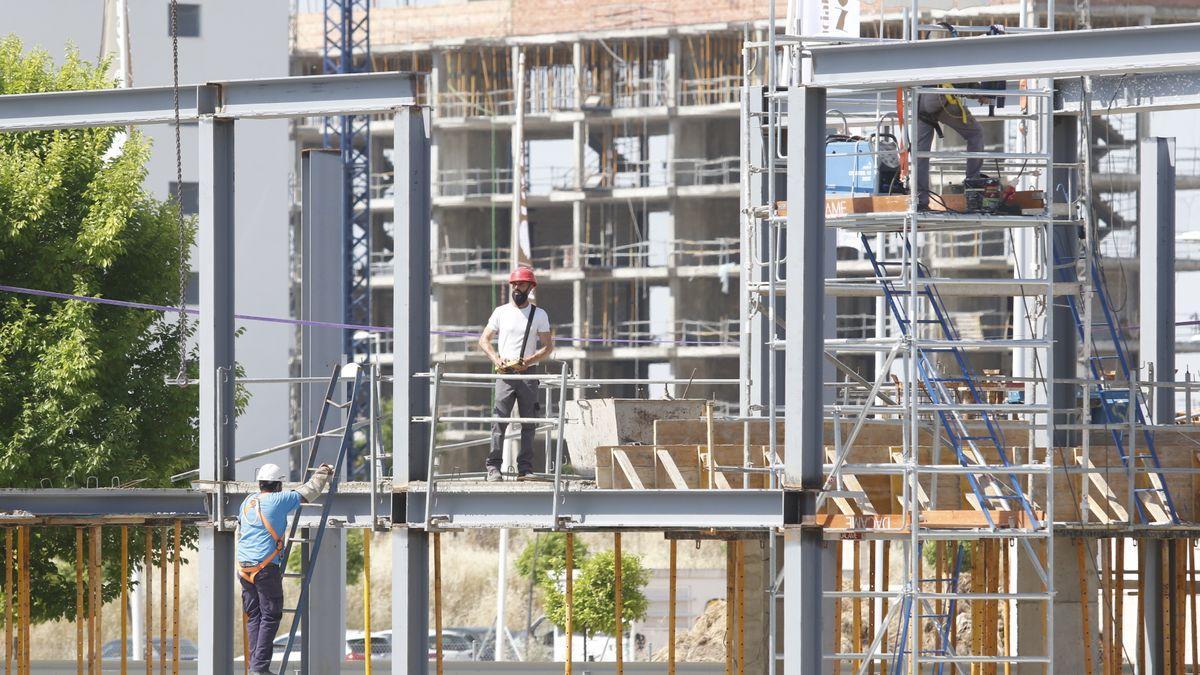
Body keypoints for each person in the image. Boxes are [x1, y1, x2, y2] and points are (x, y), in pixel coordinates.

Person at [237, 462, 333, 675]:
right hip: (265, 568)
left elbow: (241, 528)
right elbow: (310, 490)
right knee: (270, 616)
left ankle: (255, 666)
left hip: (244, 568)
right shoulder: (279, 499)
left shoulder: (247, 501)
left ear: (260, 483)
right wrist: (324, 471)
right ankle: (259, 668)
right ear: (278, 485)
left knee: (255, 617)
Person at [478, 267, 553, 481]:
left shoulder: (539, 314)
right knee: (499, 420)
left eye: (520, 284)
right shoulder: (500, 312)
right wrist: (496, 359)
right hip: (504, 373)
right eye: (514, 284)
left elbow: (548, 347)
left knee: (529, 422)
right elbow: (484, 340)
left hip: (528, 373)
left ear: (530, 287)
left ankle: (525, 468)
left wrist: (528, 361)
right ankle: (493, 467)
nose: (516, 288)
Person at [915, 85, 985, 210]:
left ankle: (920, 201)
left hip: (920, 99)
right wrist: (980, 93)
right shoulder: (954, 65)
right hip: (939, 97)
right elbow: (962, 81)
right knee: (975, 134)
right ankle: (973, 188)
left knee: (920, 154)